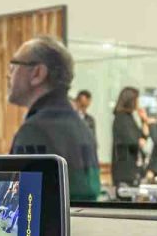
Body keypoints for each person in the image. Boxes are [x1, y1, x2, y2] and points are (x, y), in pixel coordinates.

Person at [6, 35, 101, 201]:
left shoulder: (35, 131)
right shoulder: (81, 127)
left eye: (13, 66)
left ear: (37, 73)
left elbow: (25, 206)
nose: (8, 75)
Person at [111, 86, 149, 188]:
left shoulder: (129, 118)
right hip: (125, 170)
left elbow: (143, 136)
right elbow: (134, 142)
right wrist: (140, 141)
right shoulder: (121, 118)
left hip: (132, 169)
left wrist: (144, 120)